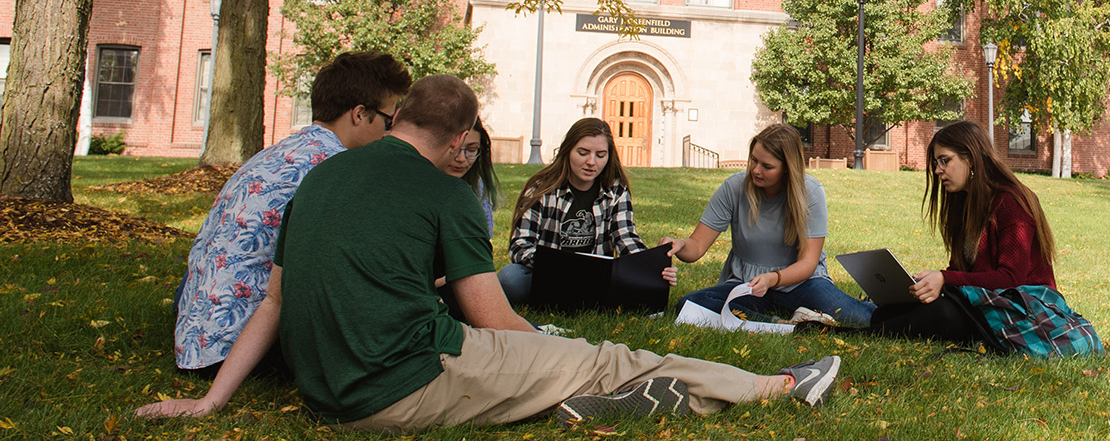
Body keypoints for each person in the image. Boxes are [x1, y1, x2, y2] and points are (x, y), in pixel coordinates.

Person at [136, 75, 842, 430]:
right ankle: (776, 387)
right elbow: (491, 319)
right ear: (458, 139)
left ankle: (606, 400)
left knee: (568, 365)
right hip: (404, 383)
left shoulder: (319, 175)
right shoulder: (445, 195)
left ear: (401, 119)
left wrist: (210, 402)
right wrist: (553, 348)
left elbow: (275, 302)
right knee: (605, 355)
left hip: (327, 392)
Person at [172, 51, 412, 377]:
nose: (389, 132)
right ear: (359, 114)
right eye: (388, 121)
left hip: (195, 333)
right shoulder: (337, 168)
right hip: (241, 346)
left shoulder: (276, 153)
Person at [863, 121, 1071, 347]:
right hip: (985, 303)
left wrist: (945, 279)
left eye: (945, 160)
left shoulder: (1011, 201)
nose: (937, 170)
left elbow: (1011, 279)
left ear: (970, 158)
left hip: (1025, 309)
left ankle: (863, 331)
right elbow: (962, 271)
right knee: (888, 312)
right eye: (935, 162)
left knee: (943, 314)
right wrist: (928, 284)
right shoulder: (965, 202)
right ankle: (876, 323)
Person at [666, 124, 874, 327]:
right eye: (753, 160)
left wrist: (772, 279)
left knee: (859, 319)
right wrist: (680, 245)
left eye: (767, 166)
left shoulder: (810, 192)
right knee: (690, 305)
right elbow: (696, 247)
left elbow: (808, 263)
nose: (756, 170)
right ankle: (785, 323)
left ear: (787, 169)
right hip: (747, 283)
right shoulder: (733, 187)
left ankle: (871, 307)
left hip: (802, 283)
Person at [497, 117, 664, 304]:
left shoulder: (616, 188)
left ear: (609, 157)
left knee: (638, 282)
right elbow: (520, 245)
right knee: (511, 278)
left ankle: (577, 298)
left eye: (600, 155)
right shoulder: (540, 188)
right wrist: (556, 266)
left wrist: (650, 267)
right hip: (550, 276)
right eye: (583, 153)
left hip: (597, 278)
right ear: (568, 151)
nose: (591, 162)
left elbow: (625, 237)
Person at [447, 118, 500, 235]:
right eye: (454, 148)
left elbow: (484, 236)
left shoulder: (477, 185)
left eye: (471, 150)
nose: (461, 158)